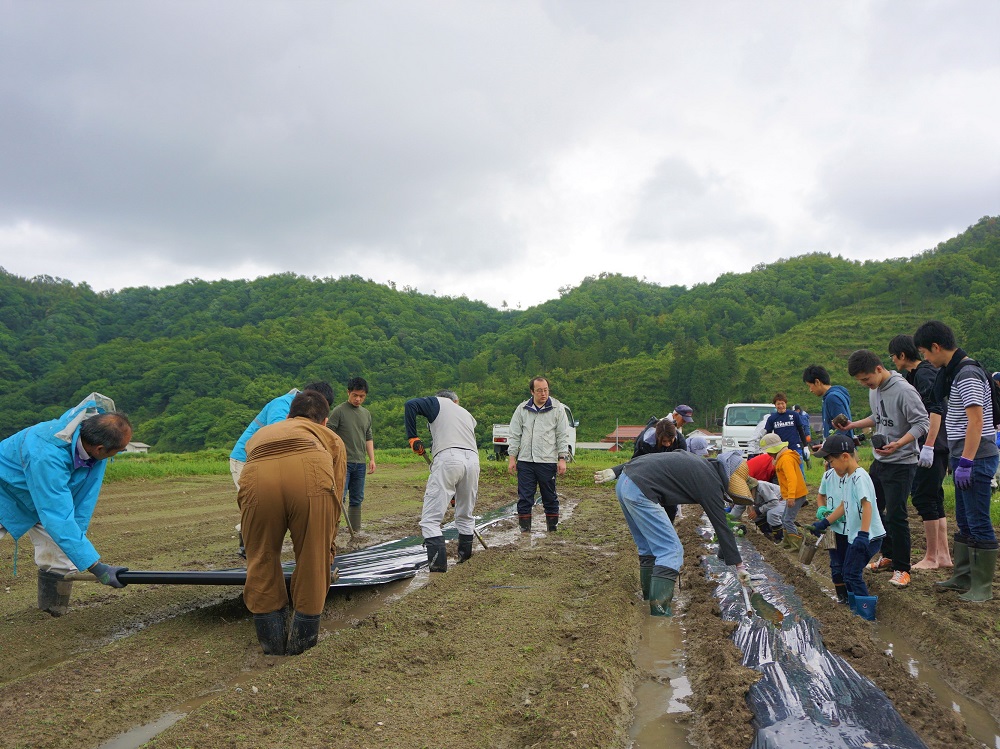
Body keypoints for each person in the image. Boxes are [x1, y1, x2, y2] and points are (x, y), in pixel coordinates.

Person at [0, 394, 132, 617]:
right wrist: (96, 567)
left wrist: (75, 543)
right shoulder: (46, 452)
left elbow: (82, 501)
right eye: (117, 452)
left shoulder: (95, 453)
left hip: (39, 496)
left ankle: (52, 611)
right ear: (100, 448)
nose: (116, 455)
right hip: (6, 490)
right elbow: (56, 515)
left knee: (61, 557)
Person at [238, 390, 346, 656]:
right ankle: (301, 648)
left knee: (261, 557)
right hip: (310, 475)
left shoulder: (261, 435)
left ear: (288, 415)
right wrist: (328, 548)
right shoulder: (330, 437)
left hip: (257, 479)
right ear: (324, 420)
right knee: (312, 558)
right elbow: (337, 495)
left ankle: (272, 647)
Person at [593, 449, 752, 617]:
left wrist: (617, 470)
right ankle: (660, 615)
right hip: (640, 490)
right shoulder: (710, 481)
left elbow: (653, 459)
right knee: (672, 550)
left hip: (625, 483)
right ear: (729, 477)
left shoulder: (699, 464)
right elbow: (721, 526)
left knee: (648, 547)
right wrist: (739, 566)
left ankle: (649, 599)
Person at [913, 320, 998, 602]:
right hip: (963, 455)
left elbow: (977, 420)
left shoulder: (968, 374)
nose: (925, 358)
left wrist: (967, 462)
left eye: (925, 352)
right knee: (964, 518)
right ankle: (963, 576)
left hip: (976, 457)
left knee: (978, 519)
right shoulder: (955, 373)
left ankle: (982, 587)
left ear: (936, 347)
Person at [841, 349, 929, 589]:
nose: (864, 384)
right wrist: (853, 424)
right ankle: (888, 555)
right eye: (860, 381)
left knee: (897, 515)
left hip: (902, 462)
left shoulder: (904, 391)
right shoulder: (875, 389)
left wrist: (899, 443)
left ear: (878, 369)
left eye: (865, 379)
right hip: (880, 462)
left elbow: (922, 422)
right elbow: (878, 417)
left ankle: (903, 568)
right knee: (873, 509)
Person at [229, 381, 334, 556]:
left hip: (273, 459)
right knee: (256, 504)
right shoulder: (281, 405)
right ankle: (248, 547)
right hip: (247, 459)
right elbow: (282, 436)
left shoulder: (301, 408)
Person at [888, 334, 952, 570]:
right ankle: (943, 555)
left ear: (902, 355)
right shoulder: (913, 375)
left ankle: (932, 557)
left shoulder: (924, 374)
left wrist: (929, 445)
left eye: (892, 356)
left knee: (924, 497)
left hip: (932, 444)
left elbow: (936, 410)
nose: (892, 360)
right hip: (935, 444)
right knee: (934, 497)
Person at [809, 434, 886, 621]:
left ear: (845, 456)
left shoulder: (860, 477)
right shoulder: (846, 477)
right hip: (857, 535)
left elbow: (867, 505)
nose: (830, 465)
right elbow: (844, 505)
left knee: (851, 573)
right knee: (847, 572)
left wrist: (863, 534)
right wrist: (825, 522)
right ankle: (854, 610)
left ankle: (866, 616)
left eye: (831, 461)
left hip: (868, 536)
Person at [405, 390, 481, 572]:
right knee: (465, 515)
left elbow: (410, 405)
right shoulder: (467, 414)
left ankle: (438, 570)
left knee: (430, 520)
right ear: (457, 400)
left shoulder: (438, 402)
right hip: (472, 461)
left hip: (448, 458)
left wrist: (412, 437)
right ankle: (465, 561)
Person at [507, 377, 571, 533]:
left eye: (546, 390)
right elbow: (515, 434)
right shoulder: (522, 409)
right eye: (539, 390)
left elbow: (562, 435)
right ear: (532, 392)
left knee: (549, 496)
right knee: (524, 497)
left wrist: (562, 458)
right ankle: (524, 531)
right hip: (525, 460)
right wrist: (512, 457)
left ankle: (552, 529)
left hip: (547, 460)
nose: (543, 393)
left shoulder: (557, 408)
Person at [328, 377, 376, 533]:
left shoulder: (366, 414)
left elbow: (368, 437)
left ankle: (355, 532)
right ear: (348, 392)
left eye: (362, 396)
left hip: (360, 463)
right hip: (343, 462)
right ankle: (332, 532)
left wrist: (372, 459)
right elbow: (328, 434)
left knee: (357, 498)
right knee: (339, 498)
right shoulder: (339, 411)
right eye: (355, 395)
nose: (358, 399)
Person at [759, 433, 807, 551]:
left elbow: (792, 479)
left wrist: (791, 497)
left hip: (796, 495)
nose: (768, 454)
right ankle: (786, 543)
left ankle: (796, 546)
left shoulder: (785, 459)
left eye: (769, 451)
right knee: (785, 518)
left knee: (787, 520)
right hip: (791, 494)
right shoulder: (781, 458)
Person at [815, 459, 849, 604]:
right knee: (836, 565)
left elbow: (845, 505)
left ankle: (852, 597)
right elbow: (821, 495)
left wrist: (825, 521)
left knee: (849, 566)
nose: (829, 464)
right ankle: (842, 598)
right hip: (832, 529)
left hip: (850, 529)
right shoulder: (828, 475)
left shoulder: (853, 477)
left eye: (832, 460)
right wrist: (822, 509)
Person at [802, 365, 855, 446]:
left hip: (841, 450)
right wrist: (825, 445)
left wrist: (829, 447)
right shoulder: (834, 395)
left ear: (817, 382)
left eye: (810, 386)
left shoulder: (832, 398)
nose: (810, 390)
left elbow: (843, 428)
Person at [764, 393, 809, 479]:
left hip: (795, 447)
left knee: (799, 472)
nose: (781, 406)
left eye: (782, 403)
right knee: (783, 473)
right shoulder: (772, 418)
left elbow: (801, 430)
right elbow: (768, 435)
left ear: (786, 403)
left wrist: (805, 446)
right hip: (780, 450)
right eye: (778, 404)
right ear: (775, 405)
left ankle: (802, 490)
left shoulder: (794, 415)